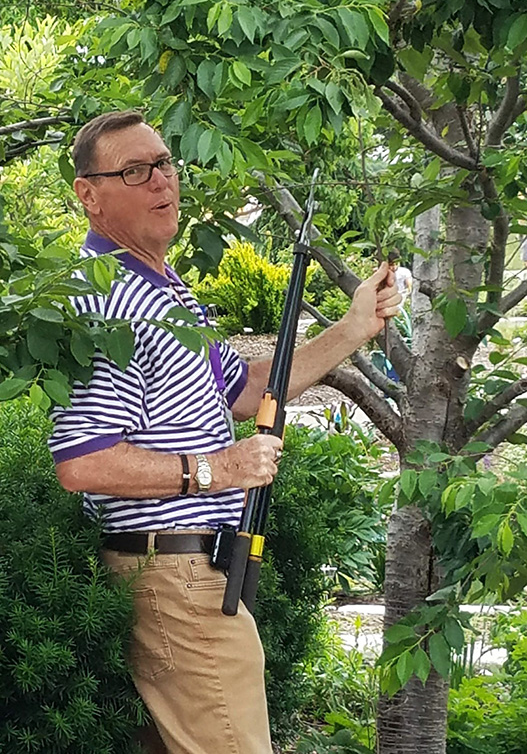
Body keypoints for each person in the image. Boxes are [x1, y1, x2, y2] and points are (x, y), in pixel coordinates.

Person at [48, 110, 401, 754]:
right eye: (135, 171)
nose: (162, 180)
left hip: (190, 573)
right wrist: (219, 469)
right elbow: (84, 462)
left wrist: (354, 328)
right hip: (177, 579)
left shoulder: (162, 288)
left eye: (164, 163)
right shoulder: (106, 299)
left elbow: (243, 391)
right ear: (88, 195)